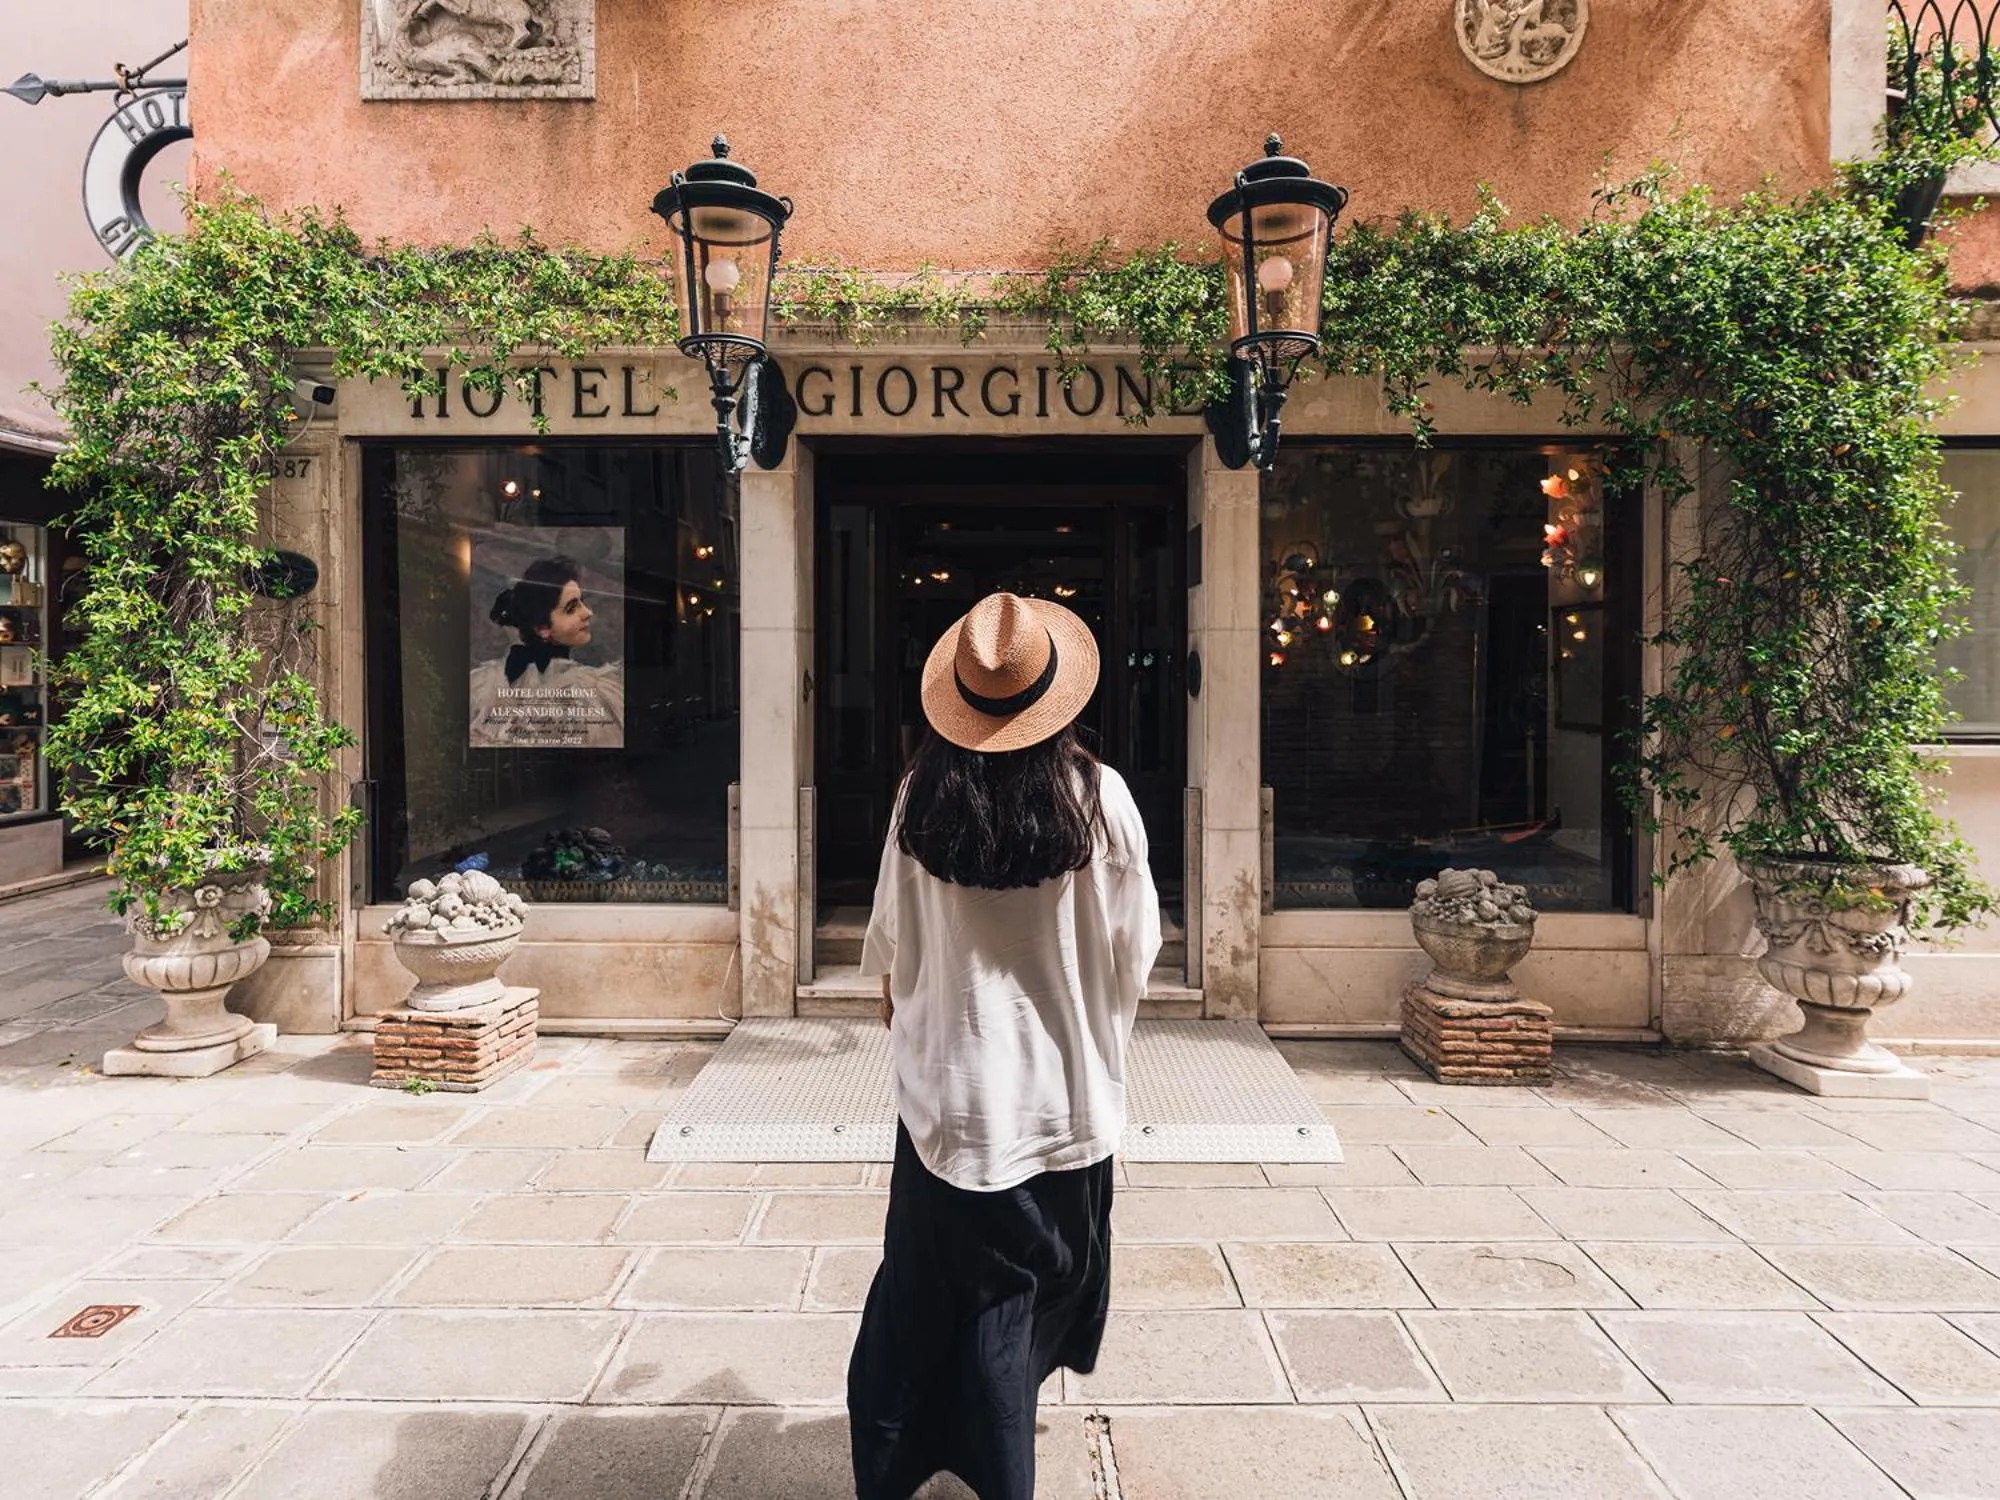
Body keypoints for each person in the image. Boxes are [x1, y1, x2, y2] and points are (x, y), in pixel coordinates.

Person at [848, 591, 1162, 1500]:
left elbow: (890, 948)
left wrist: (911, 1031)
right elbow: (1134, 954)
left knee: (918, 1305)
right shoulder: (1100, 800)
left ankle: (900, 1465)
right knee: (1014, 1315)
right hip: (1063, 1105)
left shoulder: (922, 793)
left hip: (946, 1105)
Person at [468, 553, 625, 749]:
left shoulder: (481, 682)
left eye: (582, 602)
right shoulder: (481, 686)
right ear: (543, 629)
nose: (588, 613)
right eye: (571, 608)